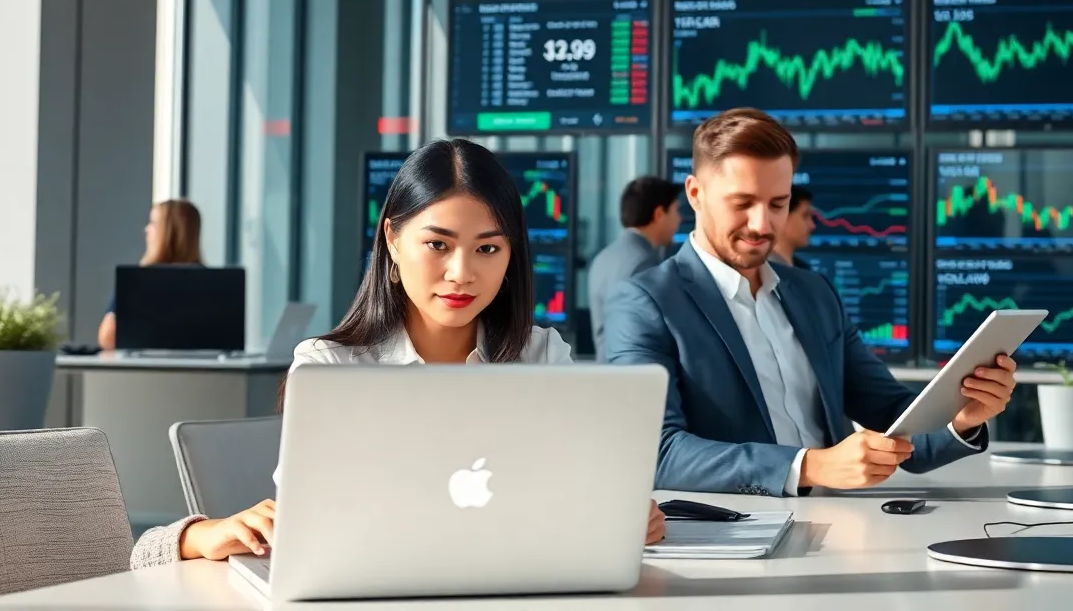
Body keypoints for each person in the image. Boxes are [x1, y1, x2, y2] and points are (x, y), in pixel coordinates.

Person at [129, 140, 666, 569]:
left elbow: (577, 490)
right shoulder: (330, 367)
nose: (462, 272)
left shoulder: (541, 354)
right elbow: (315, 524)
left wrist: (618, 511)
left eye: (488, 248)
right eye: (438, 244)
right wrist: (201, 534)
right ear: (392, 240)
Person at [605, 109, 1016, 496]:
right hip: (736, 539)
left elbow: (892, 413)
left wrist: (962, 417)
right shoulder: (645, 302)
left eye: (778, 204)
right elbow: (655, 451)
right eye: (742, 203)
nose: (762, 225)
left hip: (843, 523)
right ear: (695, 194)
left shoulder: (814, 293)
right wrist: (808, 466)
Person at [587, 176, 682, 361]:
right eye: (676, 211)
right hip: (632, 378)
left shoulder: (603, 257)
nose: (679, 219)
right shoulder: (645, 263)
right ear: (659, 214)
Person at [98, 199, 203, 350]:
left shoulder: (139, 281)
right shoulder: (213, 286)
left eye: (153, 223)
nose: (146, 229)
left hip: (146, 371)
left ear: (169, 232)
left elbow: (108, 338)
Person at [769, 185, 814, 270]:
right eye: (805, 216)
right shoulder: (759, 275)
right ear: (782, 218)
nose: (812, 225)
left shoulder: (806, 272)